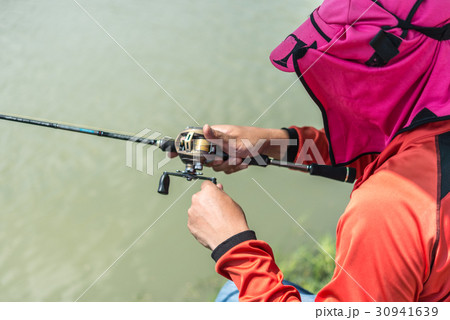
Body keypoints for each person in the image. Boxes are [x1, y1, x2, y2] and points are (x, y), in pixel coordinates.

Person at [185, 0, 450, 301]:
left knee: (232, 294)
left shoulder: (387, 209)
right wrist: (273, 142)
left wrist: (233, 247)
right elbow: (385, 157)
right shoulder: (427, 154)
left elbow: (396, 181)